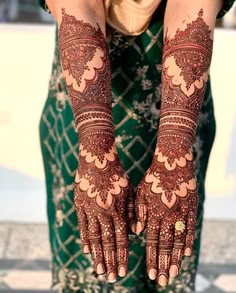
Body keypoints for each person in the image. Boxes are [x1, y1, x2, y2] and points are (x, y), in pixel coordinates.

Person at [38, 0, 235, 292]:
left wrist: (174, 154)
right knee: (91, 248)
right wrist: (96, 152)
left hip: (178, 99)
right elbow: (79, 6)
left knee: (168, 239)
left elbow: (192, 6)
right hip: (84, 99)